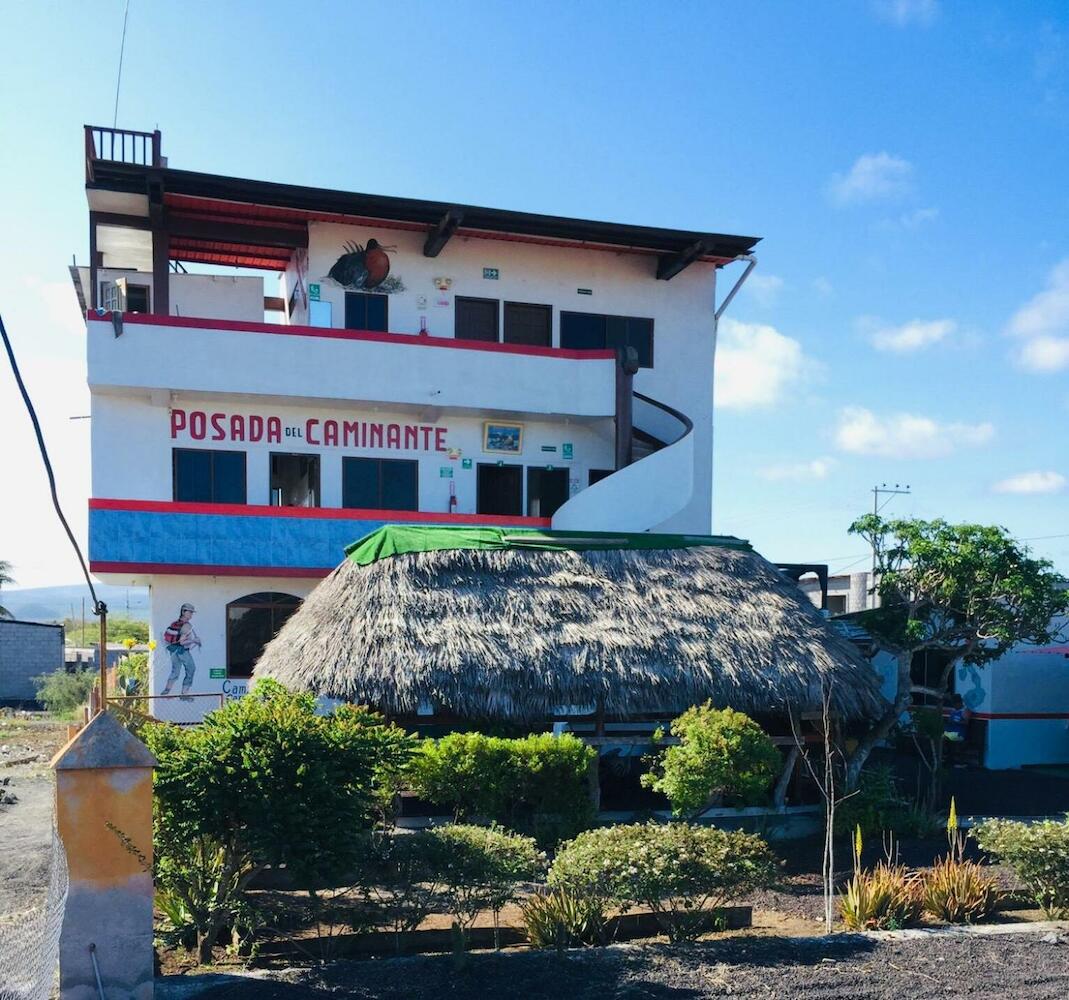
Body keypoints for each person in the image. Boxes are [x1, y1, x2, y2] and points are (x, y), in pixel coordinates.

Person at [161, 602, 201, 697]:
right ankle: (184, 694)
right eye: (190, 612)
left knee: (175, 670)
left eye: (192, 612)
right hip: (182, 651)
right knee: (191, 669)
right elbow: (182, 642)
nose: (191, 614)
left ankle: (166, 690)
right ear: (183, 612)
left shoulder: (175, 623)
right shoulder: (187, 626)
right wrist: (194, 641)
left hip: (173, 650)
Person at [944, 694, 971, 765]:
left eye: (955, 704)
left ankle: (950, 759)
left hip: (959, 733)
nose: (954, 706)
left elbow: (966, 722)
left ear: (959, 703)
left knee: (948, 738)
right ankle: (947, 757)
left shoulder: (965, 710)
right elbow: (950, 720)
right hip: (950, 731)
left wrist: (956, 722)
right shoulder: (953, 710)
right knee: (940, 736)